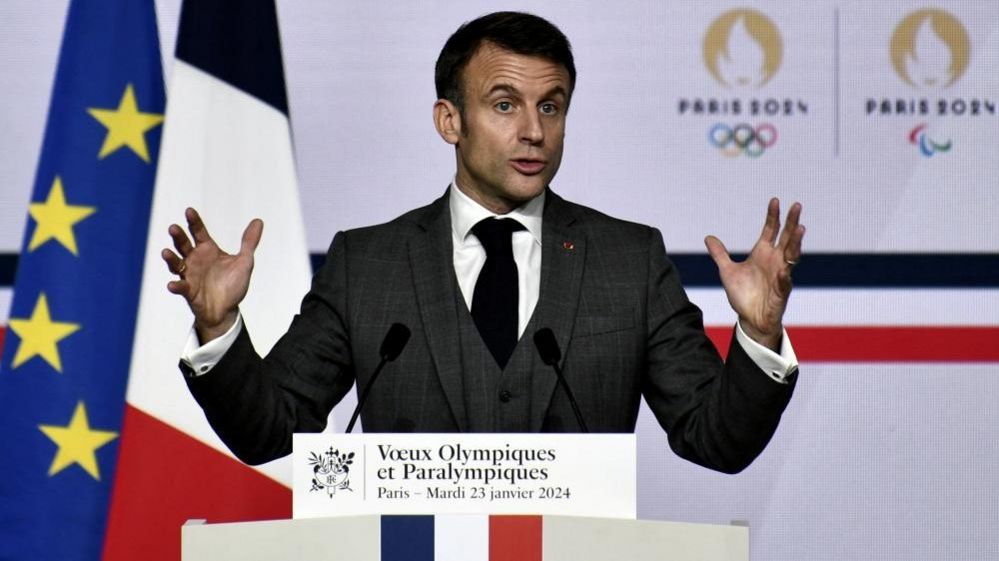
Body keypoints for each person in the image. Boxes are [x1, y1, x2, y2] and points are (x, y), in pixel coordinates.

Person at [162, 12, 804, 472]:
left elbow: (715, 441)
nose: (533, 131)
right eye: (504, 105)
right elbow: (273, 429)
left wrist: (760, 337)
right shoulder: (368, 264)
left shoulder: (628, 262)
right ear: (450, 120)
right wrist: (218, 325)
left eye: (550, 107)